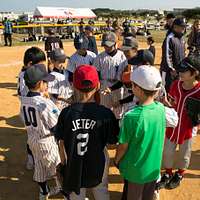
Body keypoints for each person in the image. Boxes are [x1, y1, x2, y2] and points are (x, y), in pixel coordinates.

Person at [56, 65, 119, 200]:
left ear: (73, 86)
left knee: (76, 194)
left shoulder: (66, 113)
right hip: (98, 162)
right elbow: (112, 144)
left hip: (74, 162)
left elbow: (61, 144)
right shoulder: (106, 114)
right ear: (98, 86)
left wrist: (63, 164)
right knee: (101, 190)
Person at [115, 65, 166, 200]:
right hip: (153, 168)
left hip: (135, 172)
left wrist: (117, 160)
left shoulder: (131, 116)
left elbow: (123, 147)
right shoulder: (160, 108)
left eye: (132, 84)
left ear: (137, 88)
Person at [157, 56, 200, 190]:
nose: (180, 72)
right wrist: (167, 104)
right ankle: (168, 173)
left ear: (194, 73)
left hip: (188, 129)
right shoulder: (175, 84)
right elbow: (172, 102)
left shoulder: (199, 91)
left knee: (184, 153)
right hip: (172, 127)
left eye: (184, 70)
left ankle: (180, 174)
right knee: (168, 152)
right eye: (180, 69)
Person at [20, 64, 61, 200]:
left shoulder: (24, 100)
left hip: (32, 140)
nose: (47, 84)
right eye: (45, 81)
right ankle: (66, 193)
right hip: (46, 141)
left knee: (39, 167)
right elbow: (55, 126)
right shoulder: (44, 103)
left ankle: (44, 192)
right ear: (39, 84)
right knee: (58, 168)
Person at [17, 47, 47, 170]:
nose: (41, 68)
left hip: (26, 108)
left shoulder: (24, 73)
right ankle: (34, 160)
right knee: (36, 136)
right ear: (30, 64)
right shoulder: (26, 76)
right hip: (31, 108)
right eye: (39, 65)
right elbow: (28, 94)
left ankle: (32, 159)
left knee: (32, 135)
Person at [93, 32, 127, 119]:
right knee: (104, 110)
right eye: (105, 45)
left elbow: (125, 75)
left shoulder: (122, 56)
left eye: (109, 45)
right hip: (104, 85)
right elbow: (96, 73)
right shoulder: (100, 57)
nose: (106, 47)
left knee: (118, 111)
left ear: (115, 44)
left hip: (118, 86)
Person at [160, 18, 186, 92]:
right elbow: (167, 55)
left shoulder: (182, 39)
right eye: (182, 27)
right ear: (175, 27)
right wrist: (171, 69)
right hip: (168, 71)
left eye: (184, 27)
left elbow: (183, 53)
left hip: (179, 70)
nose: (183, 29)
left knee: (176, 90)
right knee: (166, 90)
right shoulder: (170, 38)